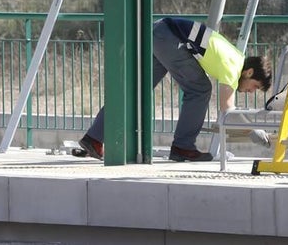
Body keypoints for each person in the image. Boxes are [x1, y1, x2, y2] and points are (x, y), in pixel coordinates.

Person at [74, 16, 273, 162]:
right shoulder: (233, 67)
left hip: (160, 32)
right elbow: (227, 111)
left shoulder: (236, 57)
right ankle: (183, 147)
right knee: (200, 89)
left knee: (134, 91)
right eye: (254, 87)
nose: (250, 92)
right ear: (248, 72)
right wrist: (252, 130)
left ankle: (94, 138)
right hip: (169, 39)